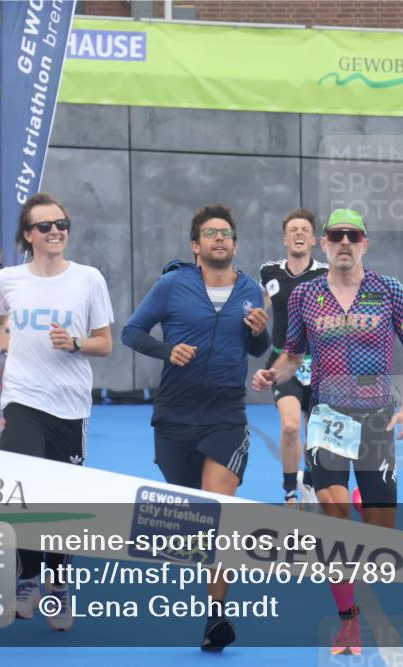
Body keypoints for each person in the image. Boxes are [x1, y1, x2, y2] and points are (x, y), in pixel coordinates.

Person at [252, 208, 403, 656]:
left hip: (376, 417)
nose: (344, 242)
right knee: (333, 522)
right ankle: (347, 621)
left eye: (353, 235)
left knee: (380, 534)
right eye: (336, 236)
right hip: (328, 415)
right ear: (325, 245)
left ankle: (360, 500)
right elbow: (292, 354)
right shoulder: (306, 295)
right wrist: (274, 374)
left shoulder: (388, 290)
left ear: (364, 243)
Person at [122, 203, 269, 652]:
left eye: (226, 232)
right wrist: (168, 352)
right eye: (210, 233)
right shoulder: (173, 284)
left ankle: (215, 617)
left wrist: (261, 332)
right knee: (196, 519)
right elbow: (132, 332)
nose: (219, 238)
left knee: (218, 509)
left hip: (226, 413)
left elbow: (259, 349)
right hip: (174, 414)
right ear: (196, 245)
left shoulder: (251, 290)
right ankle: (211, 584)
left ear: (235, 244)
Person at [0, 193, 113, 632]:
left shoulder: (88, 278)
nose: (56, 231)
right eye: (45, 226)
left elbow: (105, 343)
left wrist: (74, 343)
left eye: (62, 223)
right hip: (22, 398)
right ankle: (28, 576)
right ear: (27, 235)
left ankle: (57, 585)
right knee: (22, 487)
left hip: (69, 405)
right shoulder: (11, 279)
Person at [259, 208, 328, 503]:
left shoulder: (326, 274)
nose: (299, 234)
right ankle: (289, 493)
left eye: (304, 230)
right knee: (290, 427)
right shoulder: (269, 272)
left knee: (319, 436)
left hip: (322, 366)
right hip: (283, 363)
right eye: (293, 230)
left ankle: (310, 482)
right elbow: (260, 312)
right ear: (285, 239)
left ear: (314, 239)